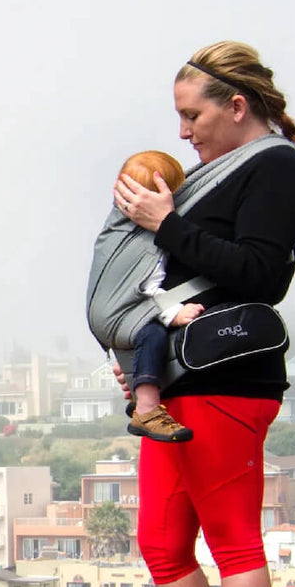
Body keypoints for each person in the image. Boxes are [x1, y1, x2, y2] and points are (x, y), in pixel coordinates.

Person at [113, 41, 295, 587]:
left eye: (191, 114)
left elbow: (262, 275)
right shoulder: (214, 174)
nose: (183, 131)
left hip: (230, 378)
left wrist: (165, 224)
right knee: (163, 542)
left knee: (233, 539)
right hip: (178, 381)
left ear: (236, 106)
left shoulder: (277, 169)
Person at [111, 150, 203, 443]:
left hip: (117, 316)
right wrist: (174, 313)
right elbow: (144, 290)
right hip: (129, 311)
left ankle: (141, 388)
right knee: (152, 334)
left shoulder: (121, 231)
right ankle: (147, 406)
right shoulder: (141, 242)